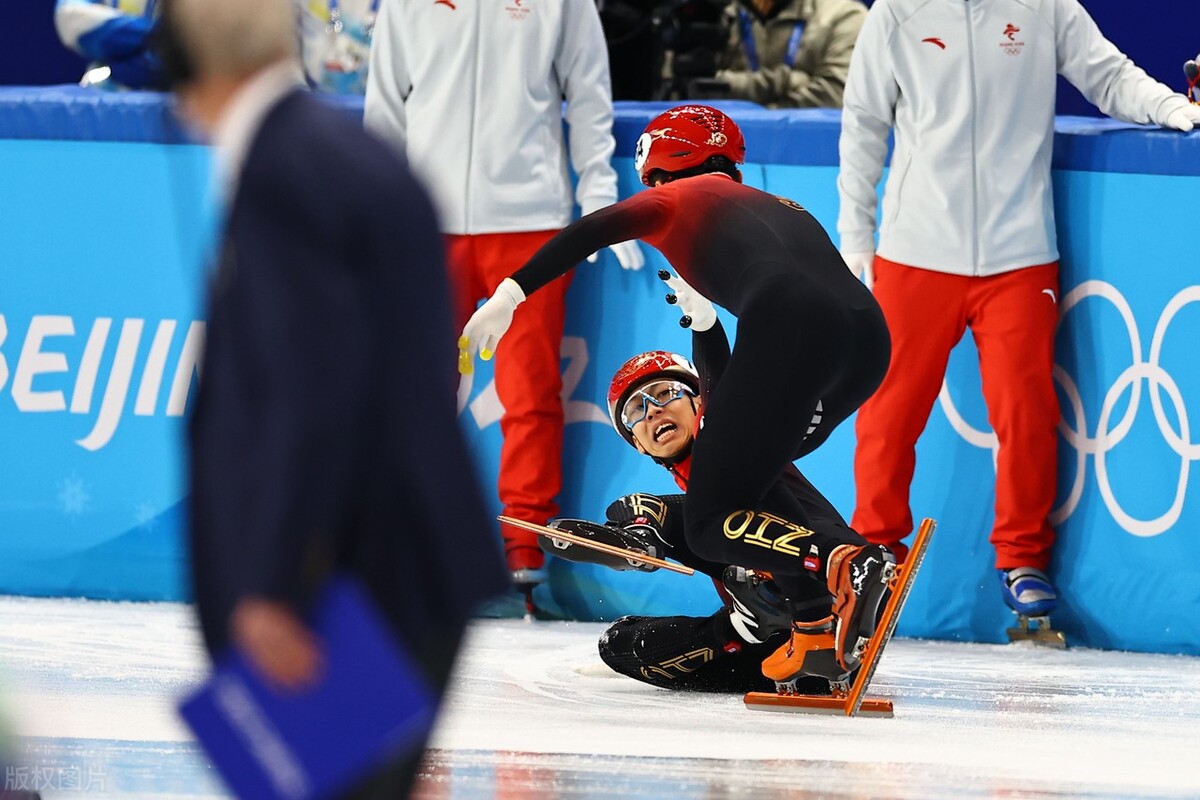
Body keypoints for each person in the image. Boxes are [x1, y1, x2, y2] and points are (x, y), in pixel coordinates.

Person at [155, 0, 509, 795]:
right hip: (399, 572)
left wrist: (278, 582)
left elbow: (310, 393)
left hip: (349, 586)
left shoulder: (285, 174)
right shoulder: (347, 151)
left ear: (187, 65)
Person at [459, 105, 895, 685]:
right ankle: (814, 627)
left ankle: (843, 561)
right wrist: (709, 328)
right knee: (754, 478)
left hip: (790, 326)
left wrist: (509, 295)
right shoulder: (785, 208)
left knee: (709, 523)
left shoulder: (673, 200)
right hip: (867, 342)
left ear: (662, 170)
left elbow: (589, 228)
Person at [836, 0, 1200, 624]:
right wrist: (855, 242)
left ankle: (1022, 558)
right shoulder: (897, 12)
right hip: (916, 253)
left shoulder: (1046, 6)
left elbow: (1108, 76)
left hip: (1020, 255)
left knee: (1027, 413)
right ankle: (874, 553)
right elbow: (864, 123)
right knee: (887, 418)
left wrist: (1174, 108)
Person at [364, 0, 645, 607]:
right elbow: (384, 107)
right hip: (425, 217)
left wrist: (598, 193)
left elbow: (590, 93)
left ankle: (525, 539)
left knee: (530, 389)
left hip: (530, 221)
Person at [551, 305, 853, 693]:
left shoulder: (739, 436)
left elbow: (733, 379)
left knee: (651, 510)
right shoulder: (692, 497)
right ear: (638, 445)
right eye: (636, 410)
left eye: (664, 394)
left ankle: (802, 594)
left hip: (824, 603)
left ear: (699, 403)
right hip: (772, 655)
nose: (653, 411)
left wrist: (708, 327)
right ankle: (750, 620)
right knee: (618, 643)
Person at [681, 0, 867, 108]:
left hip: (810, 156)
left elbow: (836, 97)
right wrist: (791, 81)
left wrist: (734, 87)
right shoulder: (718, 16)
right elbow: (685, 91)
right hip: (722, 151)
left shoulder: (845, 16)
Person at [54, 0, 165, 90]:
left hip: (173, 103)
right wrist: (152, 35)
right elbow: (69, 16)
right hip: (105, 99)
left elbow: (176, 45)